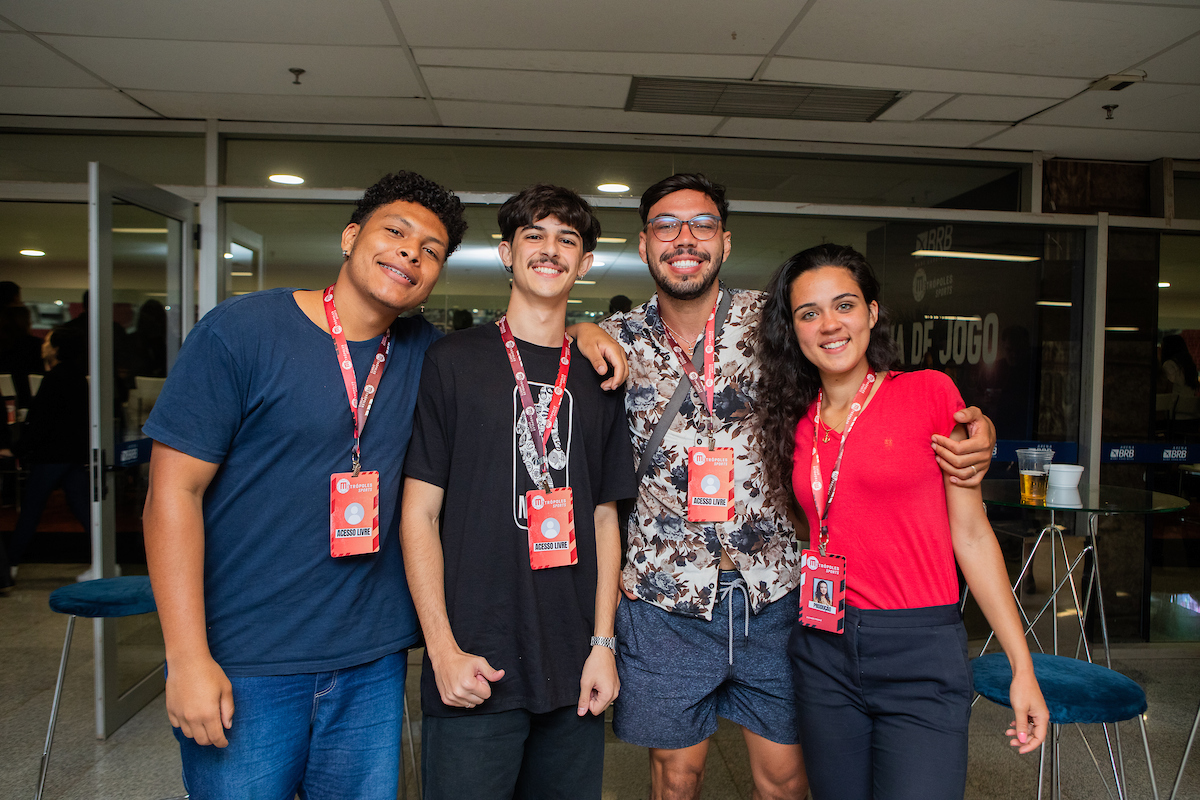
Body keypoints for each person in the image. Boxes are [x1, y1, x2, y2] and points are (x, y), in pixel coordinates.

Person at [142, 171, 627, 800]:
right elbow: (170, 495)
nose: (409, 253)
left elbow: (528, 348)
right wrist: (185, 657)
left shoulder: (428, 352)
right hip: (250, 657)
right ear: (350, 236)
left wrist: (586, 333)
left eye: (430, 250)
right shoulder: (243, 332)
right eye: (394, 233)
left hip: (371, 659)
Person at [595, 173, 997, 800]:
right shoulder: (614, 338)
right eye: (666, 226)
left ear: (724, 243)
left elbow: (862, 376)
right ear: (643, 244)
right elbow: (544, 344)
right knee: (676, 779)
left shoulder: (774, 319)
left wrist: (972, 423)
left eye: (701, 225)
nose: (684, 239)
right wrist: (579, 329)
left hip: (778, 590)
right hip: (664, 597)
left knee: (785, 780)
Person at [755, 243, 1047, 800]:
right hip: (823, 646)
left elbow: (972, 533)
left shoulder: (929, 394)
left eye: (844, 305)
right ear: (792, 330)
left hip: (919, 649)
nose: (829, 324)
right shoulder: (793, 420)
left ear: (872, 311)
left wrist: (1021, 665)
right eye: (808, 313)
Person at [402, 185, 636, 799]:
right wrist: (442, 650)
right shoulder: (452, 362)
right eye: (534, 235)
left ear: (585, 263)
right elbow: (419, 516)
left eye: (567, 240)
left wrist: (603, 645)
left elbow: (605, 518)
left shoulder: (599, 374)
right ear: (507, 253)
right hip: (475, 665)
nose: (550, 250)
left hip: (573, 666)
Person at [4, 327, 90, 587]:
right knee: (85, 510)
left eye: (48, 342)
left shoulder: (54, 378)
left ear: (57, 348)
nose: (44, 345)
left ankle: (8, 567)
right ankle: (108, 562)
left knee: (31, 511)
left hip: (51, 456)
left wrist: (18, 449)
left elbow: (39, 422)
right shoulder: (77, 377)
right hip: (71, 455)